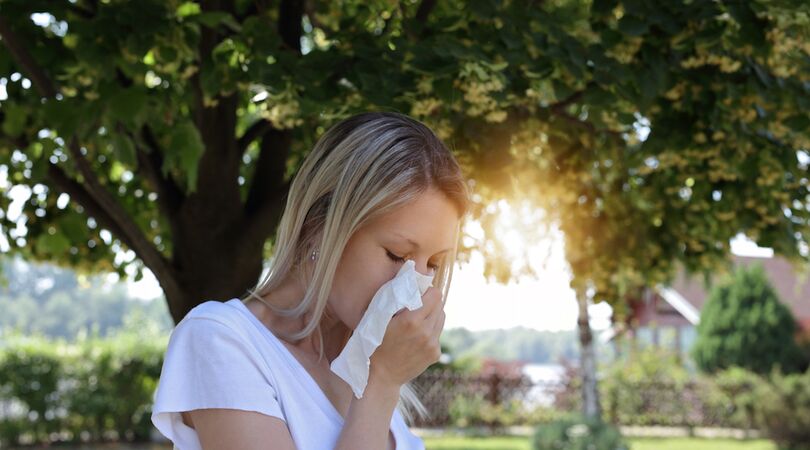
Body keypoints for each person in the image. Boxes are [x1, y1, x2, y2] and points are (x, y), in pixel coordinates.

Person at [151, 111, 470, 450]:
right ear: (320, 225)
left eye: (433, 263)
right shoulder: (219, 339)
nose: (415, 292)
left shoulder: (363, 364)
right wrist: (383, 385)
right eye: (397, 254)